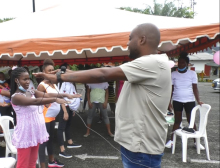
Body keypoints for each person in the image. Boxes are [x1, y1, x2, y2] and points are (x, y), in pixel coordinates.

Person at [34, 23, 172, 168]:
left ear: (142, 40)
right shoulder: (152, 63)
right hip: (138, 147)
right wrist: (65, 72)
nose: (127, 43)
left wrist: (61, 77)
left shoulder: (151, 62)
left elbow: (102, 74)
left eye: (130, 38)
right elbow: (104, 71)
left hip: (142, 149)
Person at [10, 67, 77, 168]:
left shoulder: (31, 92)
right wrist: (55, 99)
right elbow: (35, 101)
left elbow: (47, 94)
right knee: (23, 165)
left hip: (35, 131)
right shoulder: (16, 97)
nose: (28, 81)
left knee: (32, 162)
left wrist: (65, 94)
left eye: (29, 78)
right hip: (25, 133)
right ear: (16, 80)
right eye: (25, 79)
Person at [38, 59, 80, 168]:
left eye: (53, 70)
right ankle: (43, 165)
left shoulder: (54, 84)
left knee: (51, 140)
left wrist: (70, 96)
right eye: (49, 71)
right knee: (43, 143)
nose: (52, 72)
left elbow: (59, 95)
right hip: (44, 118)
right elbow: (39, 101)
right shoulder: (42, 85)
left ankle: (51, 161)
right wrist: (48, 102)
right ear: (44, 73)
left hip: (51, 117)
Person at [165, 52, 205, 149]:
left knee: (191, 121)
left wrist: (198, 100)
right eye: (179, 62)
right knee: (177, 121)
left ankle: (196, 142)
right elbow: (171, 89)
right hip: (177, 100)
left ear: (187, 64)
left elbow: (195, 88)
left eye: (183, 63)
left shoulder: (192, 74)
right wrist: (168, 101)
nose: (180, 64)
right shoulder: (173, 74)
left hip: (189, 100)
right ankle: (171, 141)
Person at [57, 63, 82, 158]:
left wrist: (73, 109)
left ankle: (69, 142)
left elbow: (73, 95)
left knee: (68, 125)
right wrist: (65, 111)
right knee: (61, 127)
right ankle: (61, 150)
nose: (69, 71)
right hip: (65, 106)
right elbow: (61, 96)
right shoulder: (62, 82)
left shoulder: (70, 82)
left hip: (70, 107)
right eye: (68, 70)